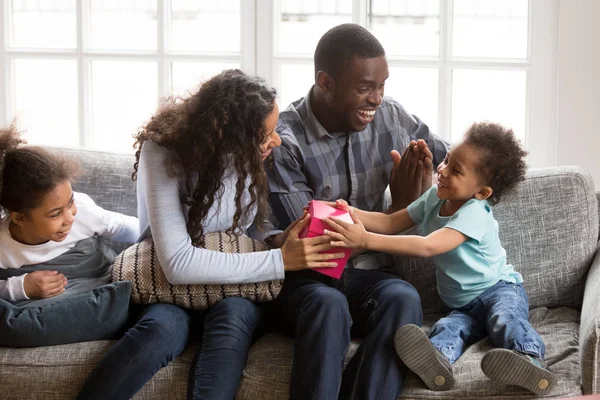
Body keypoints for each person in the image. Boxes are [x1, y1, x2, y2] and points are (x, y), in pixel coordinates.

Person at [120, 69, 342, 400]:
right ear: (232, 135)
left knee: (234, 317)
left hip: (232, 287)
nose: (276, 141)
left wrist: (279, 241)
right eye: (265, 134)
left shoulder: (248, 159)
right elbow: (177, 263)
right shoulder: (162, 153)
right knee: (160, 330)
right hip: (168, 288)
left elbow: (247, 234)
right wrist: (279, 259)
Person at [264, 24, 449, 400]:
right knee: (328, 303)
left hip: (367, 276)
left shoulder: (391, 118)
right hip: (305, 282)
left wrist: (437, 177)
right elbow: (313, 245)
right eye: (364, 87)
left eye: (382, 85)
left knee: (403, 298)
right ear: (325, 82)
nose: (377, 99)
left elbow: (455, 162)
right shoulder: (285, 140)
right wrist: (398, 211)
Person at [321, 122, 556, 395]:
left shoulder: (474, 213)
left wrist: (365, 240)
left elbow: (428, 246)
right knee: (447, 328)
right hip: (462, 305)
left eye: (455, 171)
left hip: (499, 290)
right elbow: (389, 221)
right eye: (446, 160)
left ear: (481, 192)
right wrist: (351, 212)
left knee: (505, 319)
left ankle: (529, 360)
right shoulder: (434, 196)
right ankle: (437, 364)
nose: (441, 171)